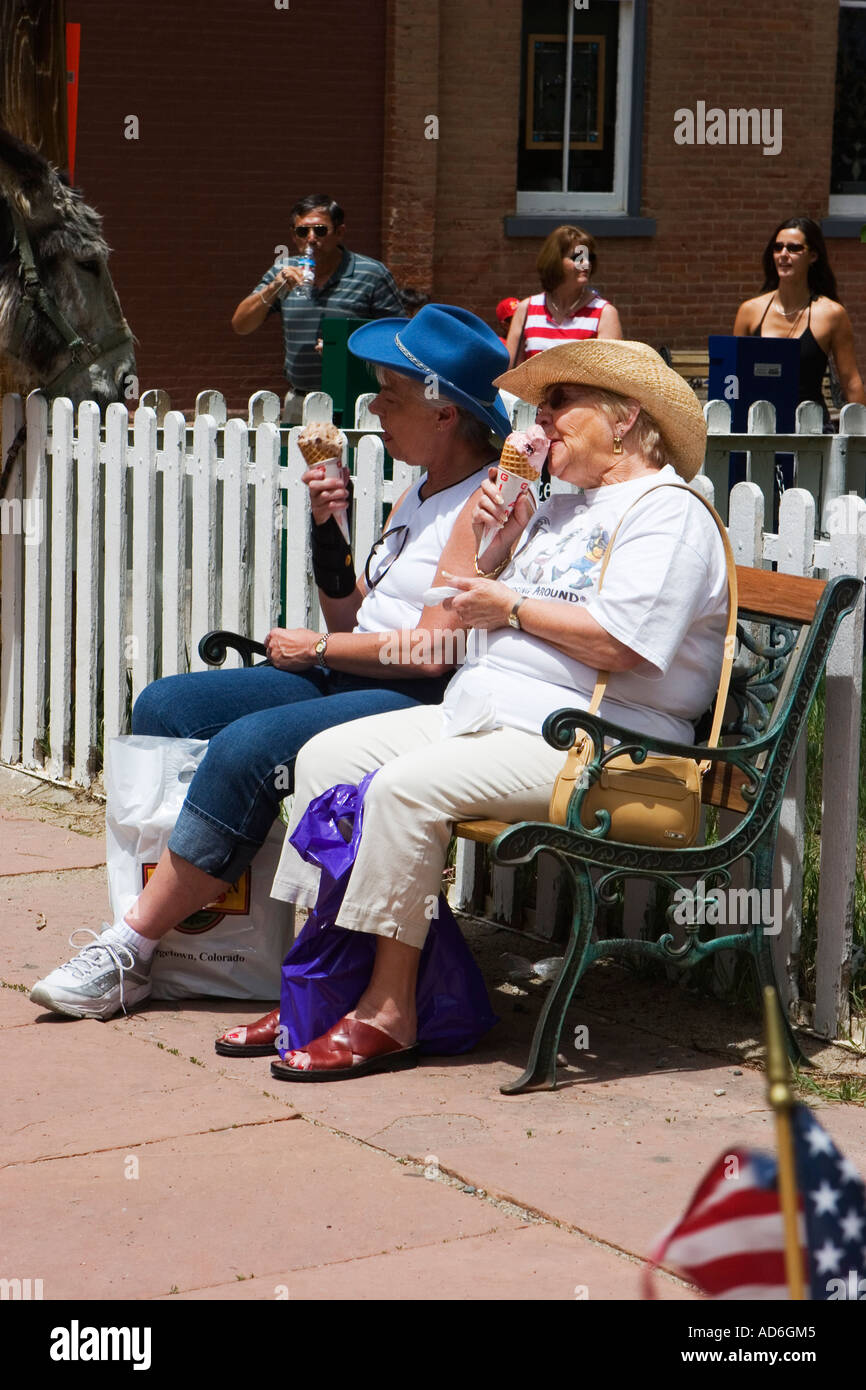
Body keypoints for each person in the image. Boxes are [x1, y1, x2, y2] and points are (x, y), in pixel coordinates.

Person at [29, 305, 513, 1033]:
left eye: (390, 394)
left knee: (248, 749)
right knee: (167, 707)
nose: (372, 407)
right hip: (361, 672)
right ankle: (201, 943)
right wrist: (329, 530)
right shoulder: (421, 488)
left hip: (413, 696)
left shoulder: (485, 503)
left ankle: (131, 946)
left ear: (445, 414)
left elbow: (433, 649)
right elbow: (355, 616)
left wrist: (316, 651)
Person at [265, 339, 728, 1082]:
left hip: (604, 743)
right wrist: (494, 545)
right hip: (492, 713)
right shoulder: (558, 509)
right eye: (539, 406)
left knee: (404, 788)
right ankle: (321, 987)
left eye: (559, 404)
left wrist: (509, 602)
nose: (540, 420)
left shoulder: (668, 514)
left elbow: (627, 646)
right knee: (325, 760)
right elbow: (453, 609)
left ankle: (389, 1013)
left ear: (624, 416)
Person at [231, 195, 403, 422]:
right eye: (303, 232)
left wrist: (346, 350)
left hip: (355, 401)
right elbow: (241, 325)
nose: (311, 239)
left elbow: (398, 338)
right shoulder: (283, 271)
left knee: (353, 458)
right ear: (294, 236)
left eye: (320, 230)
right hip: (300, 402)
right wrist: (273, 288)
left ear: (339, 232)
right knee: (293, 459)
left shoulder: (371, 274)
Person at [733, 216, 866, 415]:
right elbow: (733, 374)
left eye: (794, 248)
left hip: (810, 429)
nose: (783, 254)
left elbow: (850, 381)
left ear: (813, 256)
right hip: (757, 427)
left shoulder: (831, 314)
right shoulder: (750, 311)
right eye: (778, 248)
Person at [506, 225, 623, 368]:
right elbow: (511, 372)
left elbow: (610, 376)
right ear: (555, 260)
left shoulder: (604, 313)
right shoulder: (527, 309)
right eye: (577, 257)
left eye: (589, 257)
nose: (585, 264)